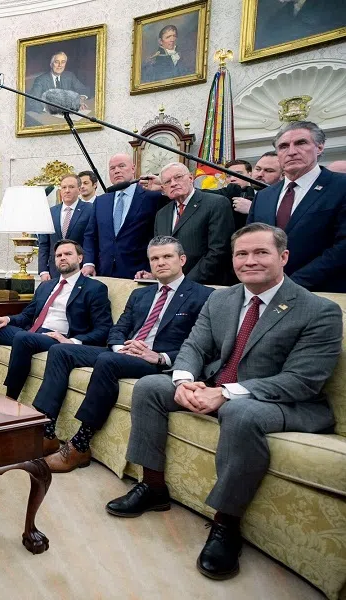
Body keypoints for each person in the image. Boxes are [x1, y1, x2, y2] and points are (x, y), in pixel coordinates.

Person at [107, 223, 342, 580]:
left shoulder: (318, 310)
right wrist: (184, 381)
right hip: (217, 386)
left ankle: (226, 524)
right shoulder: (221, 299)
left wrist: (226, 392)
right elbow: (195, 346)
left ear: (283, 257)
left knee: (240, 411)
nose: (250, 261)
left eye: (261, 252)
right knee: (152, 386)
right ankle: (152, 486)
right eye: (241, 254)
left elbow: (302, 380)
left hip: (284, 400)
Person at [33, 236, 212, 469]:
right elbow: (117, 329)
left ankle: (80, 444)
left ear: (182, 259)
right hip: (125, 353)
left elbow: (202, 345)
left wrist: (159, 356)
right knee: (61, 351)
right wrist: (122, 347)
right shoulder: (141, 294)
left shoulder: (204, 296)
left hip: (156, 360)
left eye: (167, 256)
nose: (160, 262)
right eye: (154, 258)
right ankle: (46, 431)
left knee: (107, 361)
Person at [0, 240, 112, 400]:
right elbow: (27, 316)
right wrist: (7, 319)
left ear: (80, 258)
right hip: (31, 333)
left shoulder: (95, 288)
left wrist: (73, 341)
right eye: (58, 255)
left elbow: (103, 328)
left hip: (56, 338)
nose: (62, 258)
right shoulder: (46, 286)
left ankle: (11, 398)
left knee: (23, 337)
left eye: (68, 254)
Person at [247, 120, 346, 292]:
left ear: (319, 147)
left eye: (301, 143)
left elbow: (343, 247)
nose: (291, 152)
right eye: (283, 146)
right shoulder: (264, 196)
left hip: (325, 292)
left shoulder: (340, 186)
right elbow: (250, 241)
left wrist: (293, 283)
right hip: (268, 290)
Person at [82, 153, 167, 279]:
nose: (116, 171)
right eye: (112, 168)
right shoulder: (101, 201)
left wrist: (163, 187)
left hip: (140, 274)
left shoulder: (152, 197)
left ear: (133, 168)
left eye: (121, 166)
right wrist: (89, 263)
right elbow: (90, 235)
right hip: (104, 273)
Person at [148, 162, 235, 284]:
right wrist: (154, 275)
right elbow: (160, 251)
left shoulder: (216, 203)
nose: (173, 183)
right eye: (167, 182)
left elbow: (218, 250)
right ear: (163, 188)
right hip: (171, 285)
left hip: (207, 285)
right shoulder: (161, 214)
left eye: (178, 177)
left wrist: (185, 282)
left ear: (190, 178)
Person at [38, 173, 94, 281]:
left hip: (80, 270)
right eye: (64, 187)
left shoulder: (90, 209)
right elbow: (44, 244)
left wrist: (88, 263)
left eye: (71, 187)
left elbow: (92, 240)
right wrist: (43, 271)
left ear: (79, 189)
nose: (67, 190)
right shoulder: (50, 212)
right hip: (54, 272)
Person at [28, 52, 90, 116]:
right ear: (51, 64)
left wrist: (80, 100)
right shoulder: (41, 80)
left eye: (63, 62)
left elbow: (83, 90)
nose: (60, 65)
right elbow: (32, 101)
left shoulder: (69, 76)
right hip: (49, 115)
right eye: (56, 62)